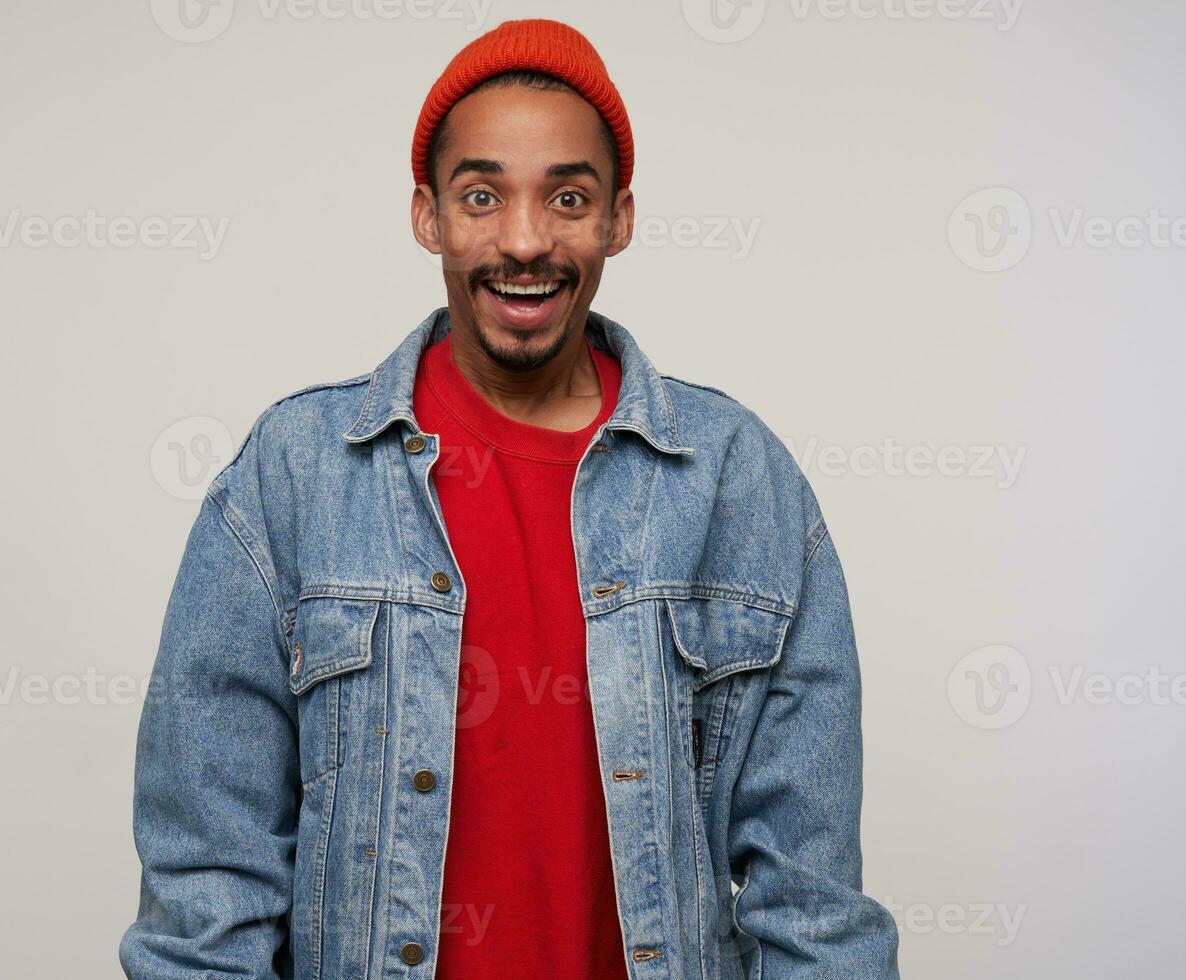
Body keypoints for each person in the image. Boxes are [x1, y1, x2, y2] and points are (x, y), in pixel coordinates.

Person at [120, 18, 900, 980]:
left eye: (567, 197)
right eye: (482, 195)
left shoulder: (736, 477)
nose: (525, 241)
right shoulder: (292, 477)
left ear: (618, 218)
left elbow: (811, 901)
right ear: (428, 216)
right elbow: (208, 888)